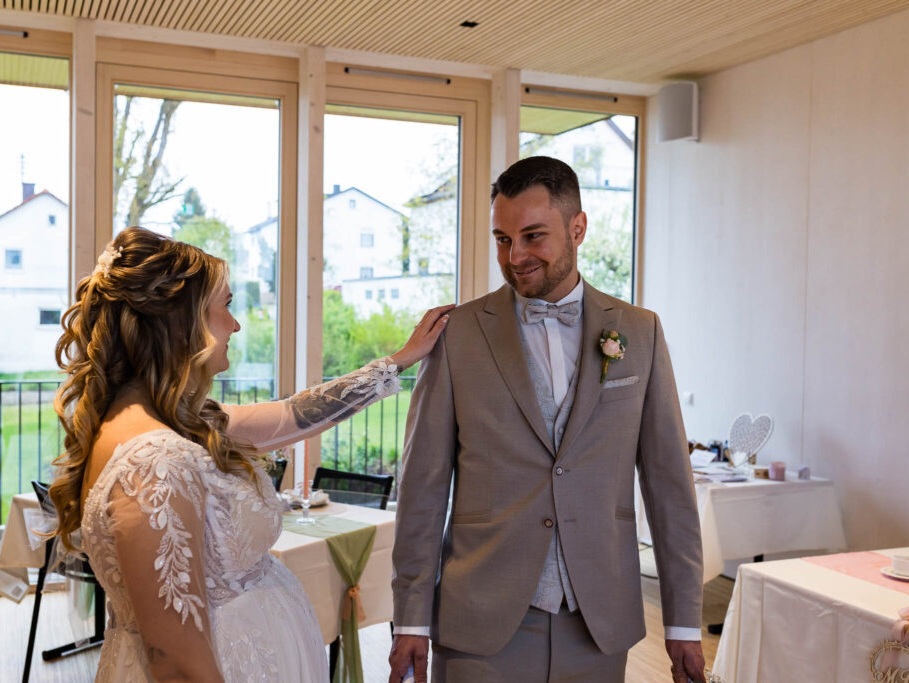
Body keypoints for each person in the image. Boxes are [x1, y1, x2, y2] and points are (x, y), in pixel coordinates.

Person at [48, 226, 452, 681]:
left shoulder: (178, 420)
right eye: (226, 305)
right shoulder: (156, 461)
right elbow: (177, 663)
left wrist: (397, 362)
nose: (235, 324)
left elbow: (294, 415)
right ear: (182, 320)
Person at [388, 156, 705, 683]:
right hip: (480, 624)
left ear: (578, 228)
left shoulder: (640, 332)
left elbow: (670, 486)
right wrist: (412, 617)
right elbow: (423, 487)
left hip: (598, 622)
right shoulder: (459, 334)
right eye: (502, 239)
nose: (516, 256)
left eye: (533, 236)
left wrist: (686, 624)